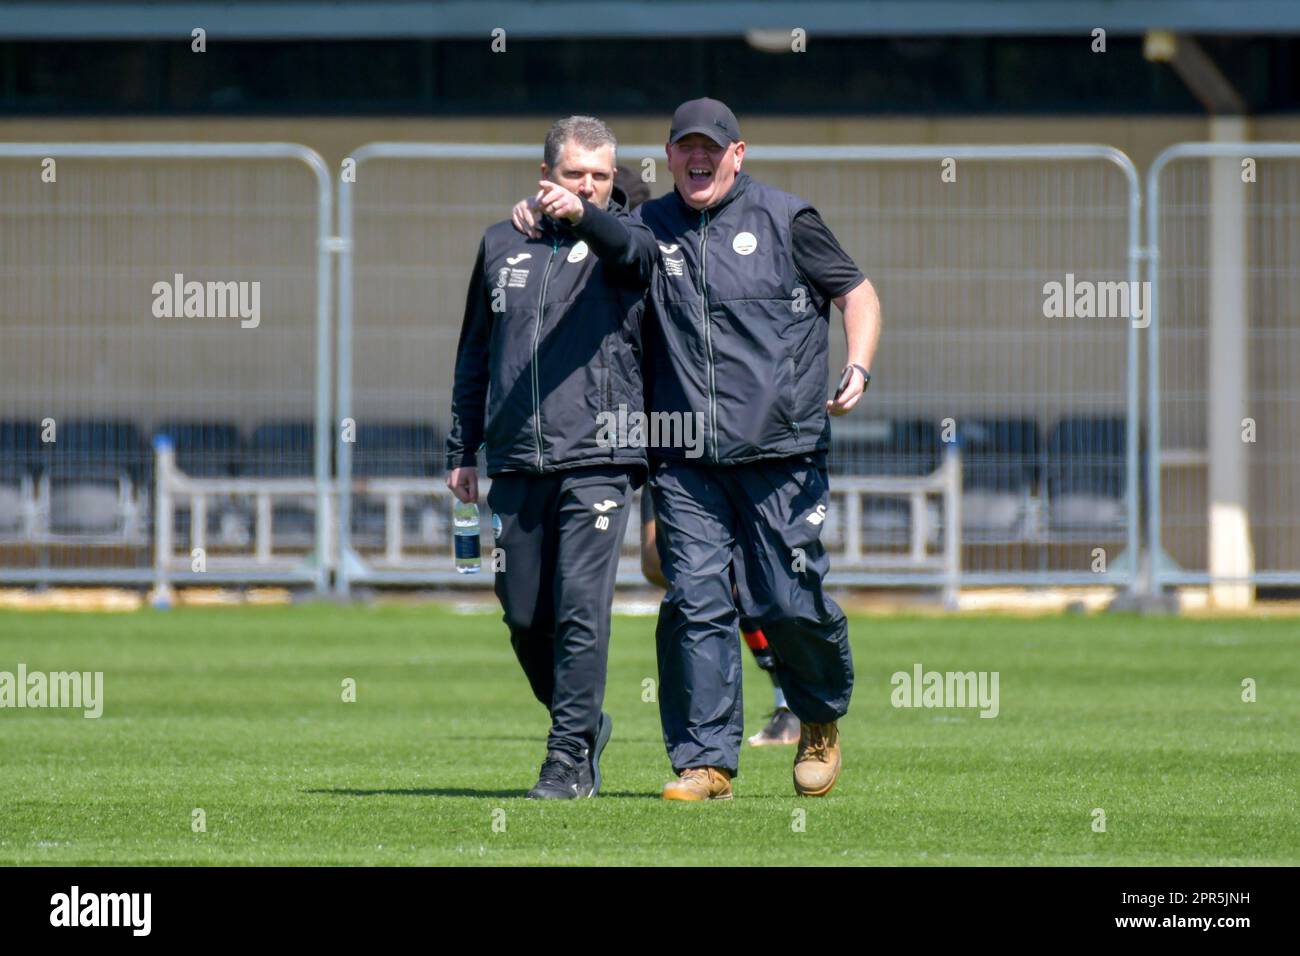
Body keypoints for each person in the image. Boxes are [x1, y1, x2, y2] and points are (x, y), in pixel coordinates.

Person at [514, 98, 881, 800]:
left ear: (737, 155)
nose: (698, 158)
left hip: (783, 453)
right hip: (684, 460)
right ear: (671, 154)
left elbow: (857, 293)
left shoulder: (787, 219)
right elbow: (596, 218)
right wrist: (535, 212)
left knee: (786, 599)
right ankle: (705, 761)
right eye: (685, 147)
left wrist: (858, 364)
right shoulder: (649, 227)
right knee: (696, 600)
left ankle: (819, 715)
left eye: (712, 147)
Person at [445, 116, 657, 799]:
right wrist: (463, 448)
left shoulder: (628, 240)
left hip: (599, 457)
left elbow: (630, 247)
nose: (589, 186)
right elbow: (475, 351)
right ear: (547, 176)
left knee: (579, 610)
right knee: (524, 614)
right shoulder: (501, 243)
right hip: (513, 461)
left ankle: (566, 759)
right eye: (575, 175)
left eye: (601, 175)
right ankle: (586, 723)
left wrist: (589, 216)